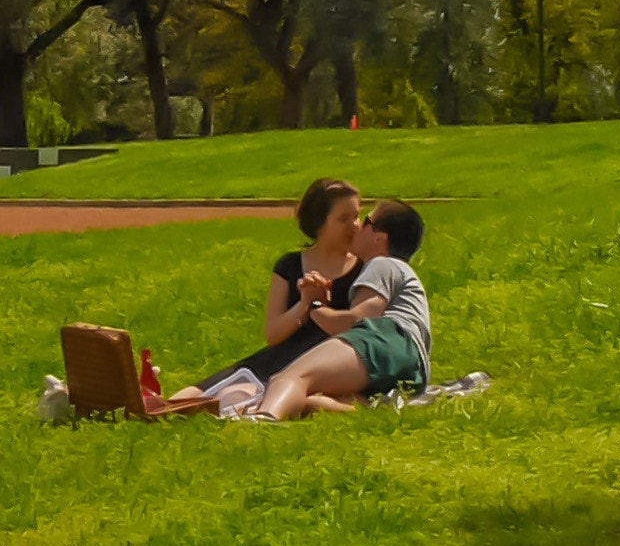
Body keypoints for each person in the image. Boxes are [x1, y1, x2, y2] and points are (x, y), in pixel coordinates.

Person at [169, 178, 362, 403]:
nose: (354, 226)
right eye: (343, 219)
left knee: (239, 395)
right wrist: (304, 304)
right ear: (319, 222)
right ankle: (159, 408)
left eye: (357, 216)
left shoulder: (366, 267)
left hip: (327, 360)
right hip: (283, 353)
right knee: (219, 382)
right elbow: (273, 334)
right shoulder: (289, 266)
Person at [245, 199, 430, 421]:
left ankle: (264, 420)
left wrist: (313, 304)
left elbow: (359, 320)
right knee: (311, 401)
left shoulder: (382, 264)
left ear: (380, 237)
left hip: (390, 341)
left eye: (366, 221)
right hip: (414, 369)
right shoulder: (400, 271)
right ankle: (379, 409)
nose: (357, 225)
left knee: (289, 378)